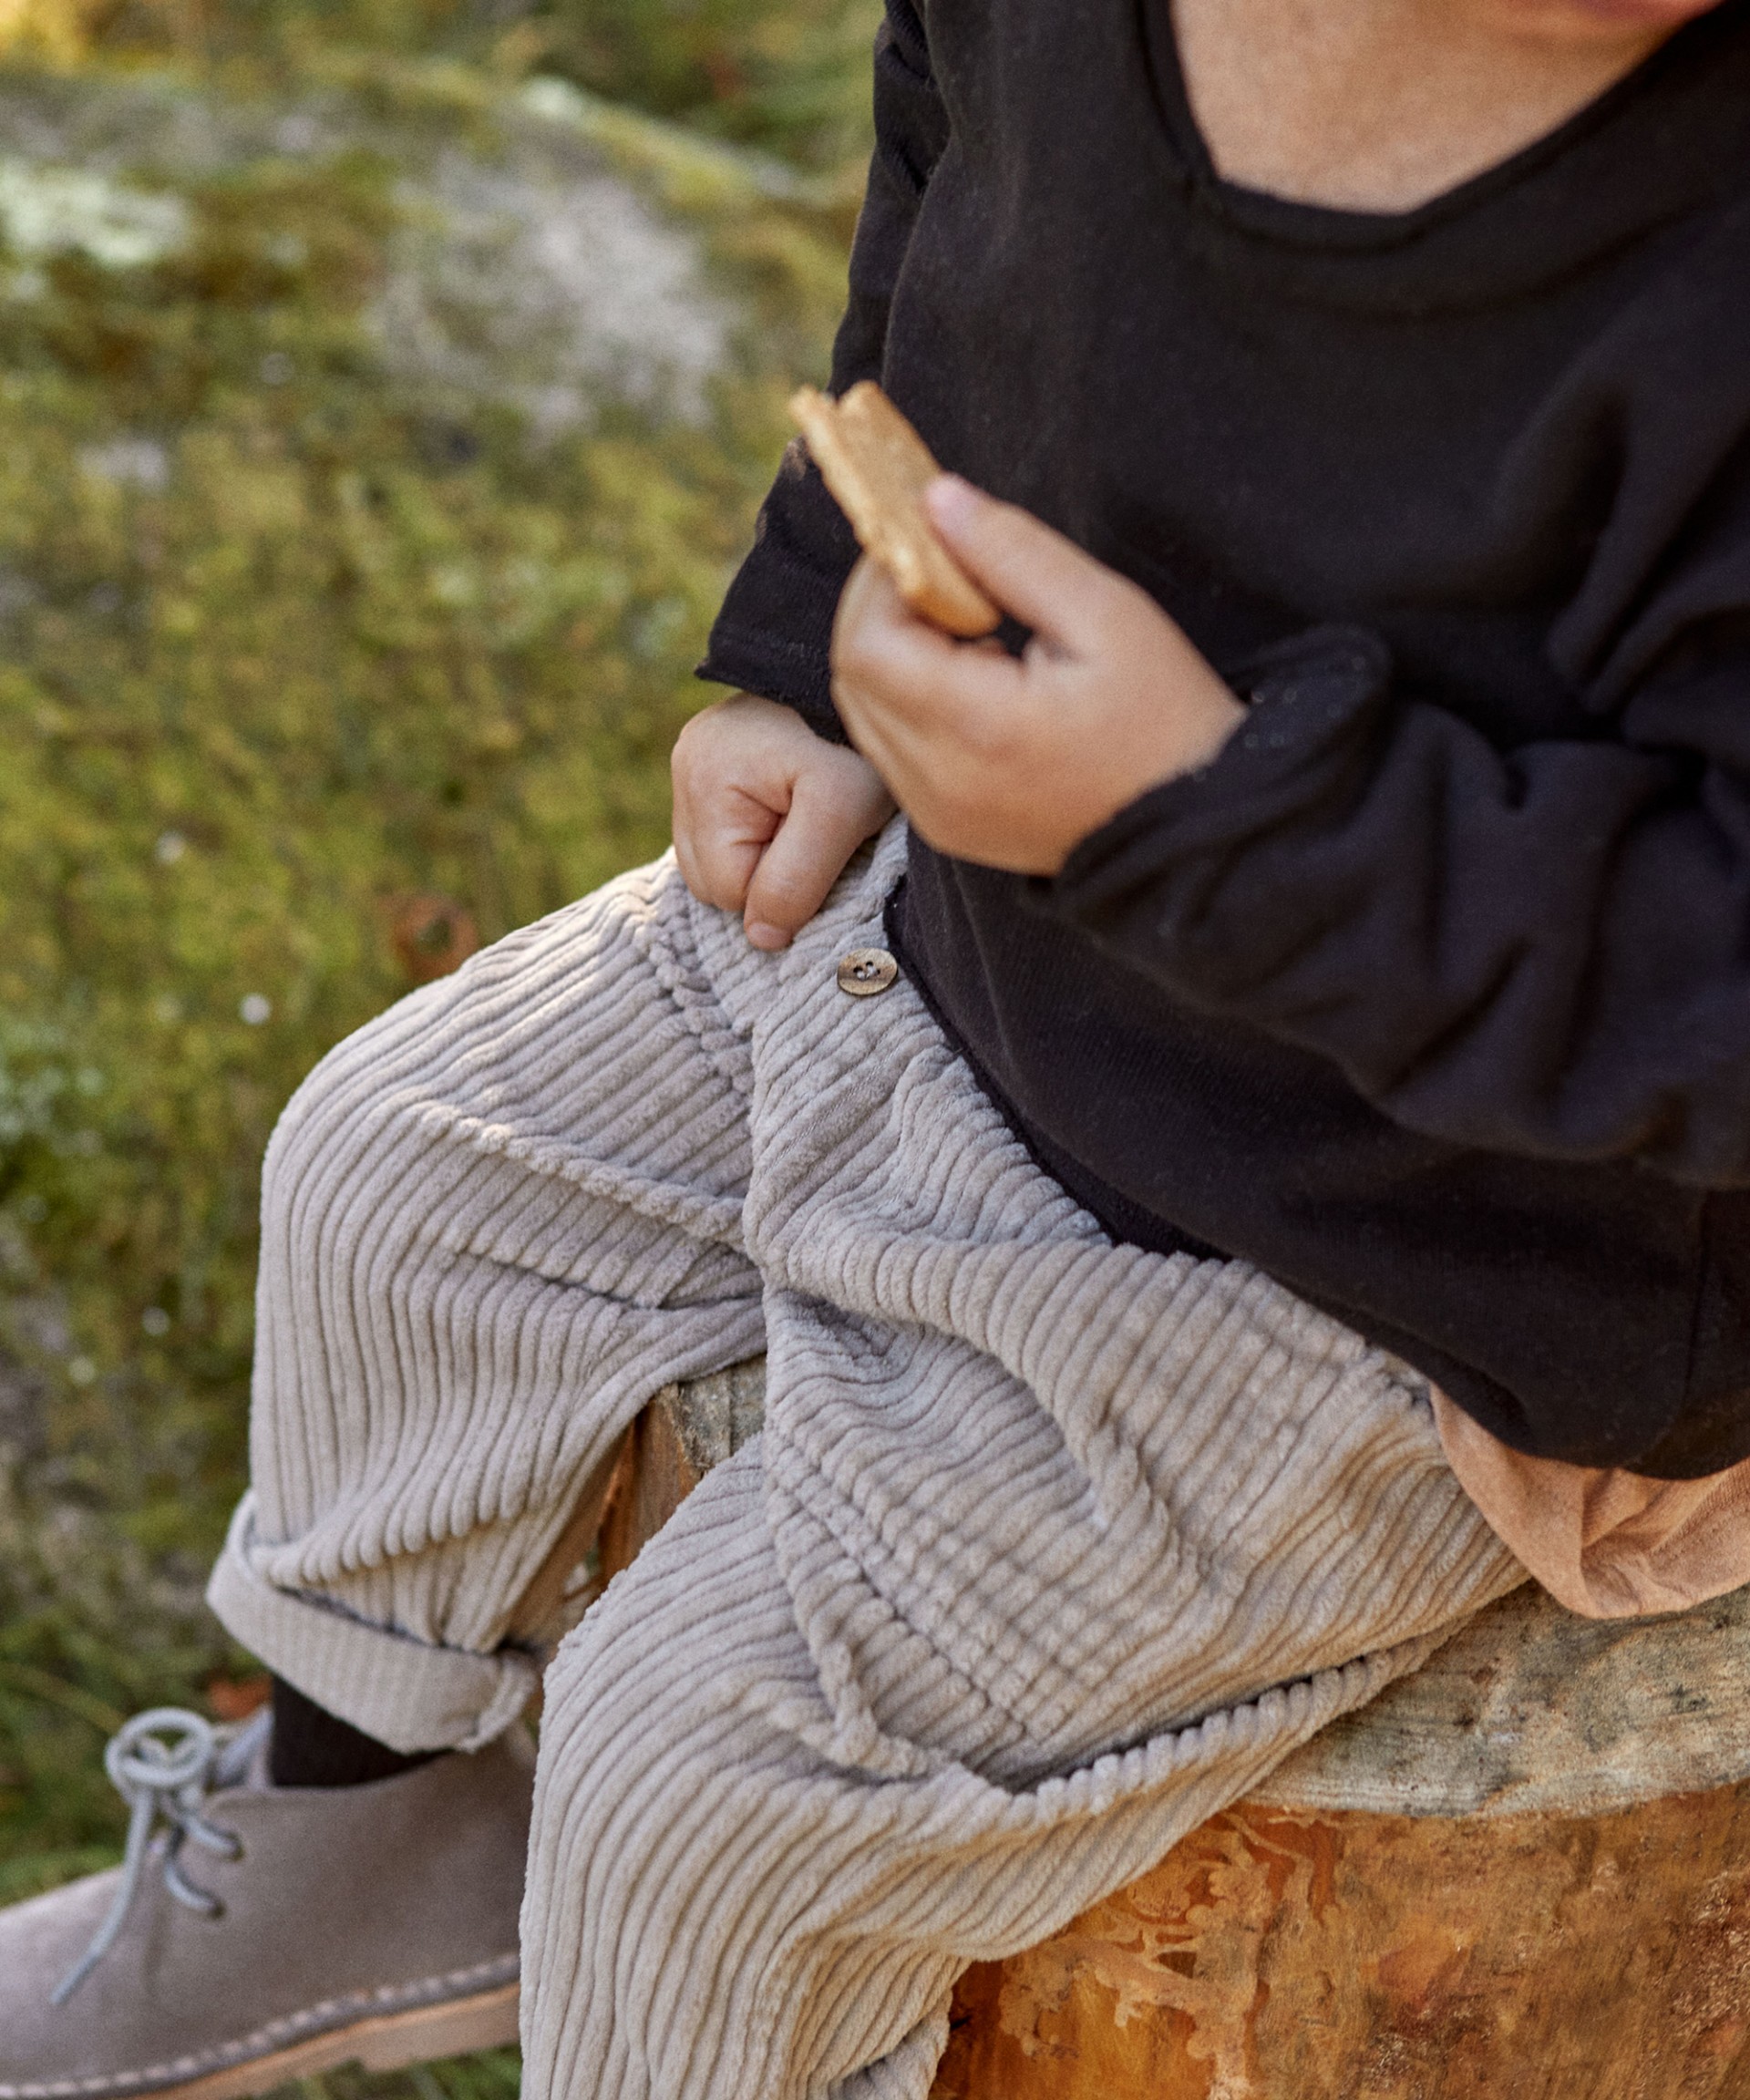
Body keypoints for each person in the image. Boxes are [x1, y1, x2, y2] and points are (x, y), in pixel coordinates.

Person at [5, 0, 1750, 2094]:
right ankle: (369, 1841)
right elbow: (967, 189)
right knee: (391, 1173)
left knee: (705, 1771)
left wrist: (1204, 818)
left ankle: (658, 1961)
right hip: (987, 926)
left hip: (1427, 1253)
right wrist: (811, 637)